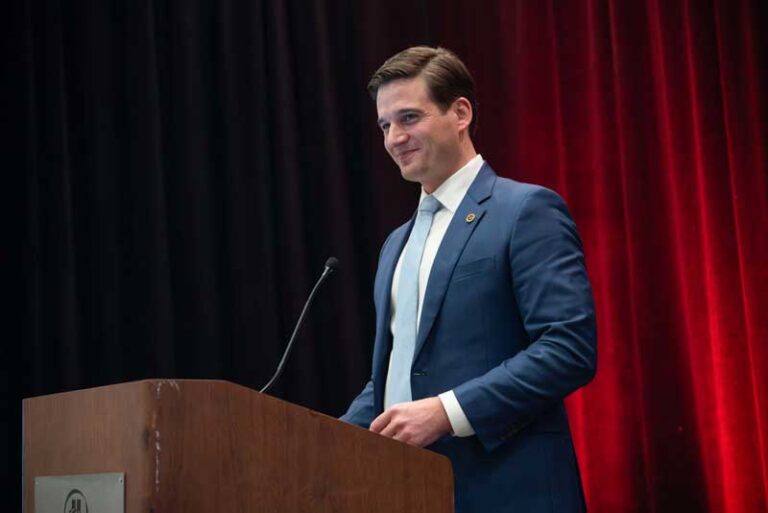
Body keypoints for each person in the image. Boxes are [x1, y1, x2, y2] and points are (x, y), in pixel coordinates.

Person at [341, 46, 597, 513]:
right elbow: (395, 378)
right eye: (384, 125)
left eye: (409, 118)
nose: (394, 138)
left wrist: (448, 411)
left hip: (510, 491)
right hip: (407, 492)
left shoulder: (525, 211)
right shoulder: (395, 244)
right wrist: (331, 442)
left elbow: (568, 347)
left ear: (460, 112)